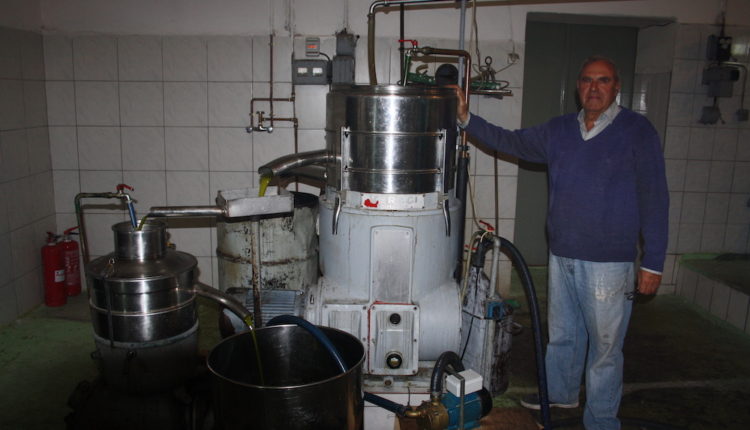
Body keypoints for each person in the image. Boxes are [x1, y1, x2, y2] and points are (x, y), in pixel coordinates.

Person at [452, 56, 669, 430]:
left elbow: (655, 197)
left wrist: (653, 262)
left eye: (603, 80)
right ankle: (560, 393)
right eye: (587, 80)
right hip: (562, 253)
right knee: (563, 335)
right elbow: (512, 141)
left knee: (605, 348)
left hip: (609, 263)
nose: (594, 88)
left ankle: (601, 421)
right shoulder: (559, 130)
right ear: (578, 86)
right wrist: (467, 119)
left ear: (616, 87)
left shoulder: (637, 131)